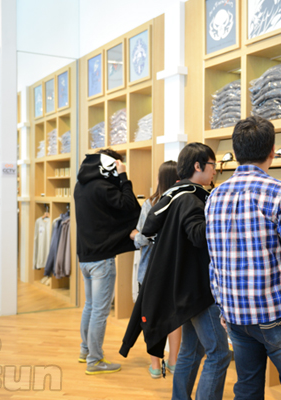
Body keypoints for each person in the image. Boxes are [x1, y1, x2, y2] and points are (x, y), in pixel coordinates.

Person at [205, 116, 281, 400]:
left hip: (235, 312)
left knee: (247, 388)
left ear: (236, 152)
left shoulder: (214, 197)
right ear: (272, 151)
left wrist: (222, 304)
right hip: (278, 311)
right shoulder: (280, 193)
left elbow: (214, 260)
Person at [120, 142, 231, 400]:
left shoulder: (174, 196)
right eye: (212, 165)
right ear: (197, 166)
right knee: (219, 353)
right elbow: (198, 235)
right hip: (199, 291)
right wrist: (224, 215)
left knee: (192, 351)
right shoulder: (191, 199)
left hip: (184, 290)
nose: (215, 170)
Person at [74, 148, 141, 375]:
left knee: (90, 306)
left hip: (85, 257)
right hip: (101, 260)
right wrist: (124, 177)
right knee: (100, 312)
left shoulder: (80, 186)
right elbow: (129, 204)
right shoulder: (103, 187)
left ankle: (85, 351)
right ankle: (94, 361)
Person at [129, 161, 182, 379]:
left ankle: (154, 365)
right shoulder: (182, 202)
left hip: (151, 271)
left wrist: (134, 235)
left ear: (160, 179)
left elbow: (143, 238)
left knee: (151, 317)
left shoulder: (150, 204)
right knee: (174, 318)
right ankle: (174, 362)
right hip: (175, 270)